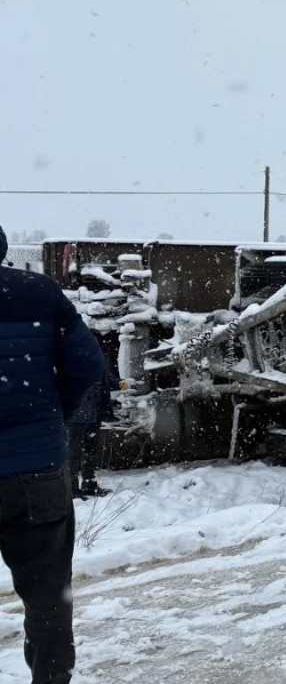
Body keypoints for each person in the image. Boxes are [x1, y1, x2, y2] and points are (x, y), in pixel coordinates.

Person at [0, 225, 105, 684]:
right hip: (37, 472)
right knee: (47, 600)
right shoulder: (40, 292)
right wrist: (51, 413)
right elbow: (89, 364)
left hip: (36, 458)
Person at [66, 365, 117, 498]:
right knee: (74, 452)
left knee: (89, 451)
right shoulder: (70, 358)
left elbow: (105, 378)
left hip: (93, 413)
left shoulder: (96, 358)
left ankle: (88, 485)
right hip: (76, 414)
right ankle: (72, 489)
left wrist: (120, 383)